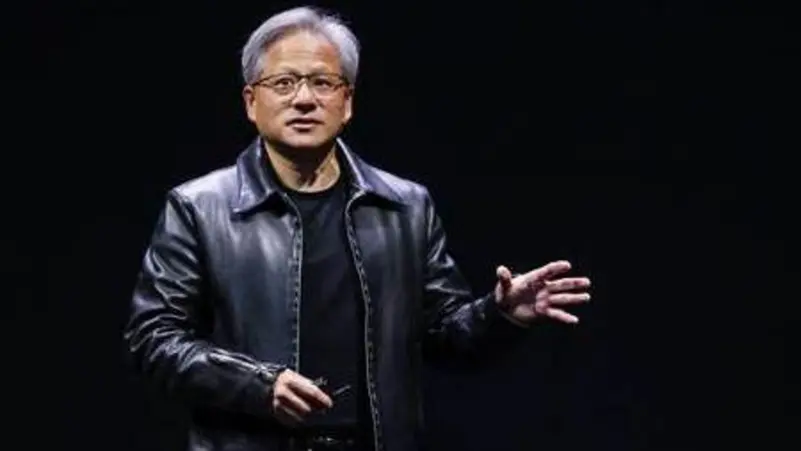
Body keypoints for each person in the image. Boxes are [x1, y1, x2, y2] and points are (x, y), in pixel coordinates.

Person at [123, 6, 591, 451]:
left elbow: (445, 336)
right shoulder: (199, 208)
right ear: (252, 101)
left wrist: (500, 314)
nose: (304, 99)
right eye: (283, 82)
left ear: (346, 102)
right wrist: (259, 385)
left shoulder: (404, 207)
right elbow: (154, 339)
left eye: (322, 83)